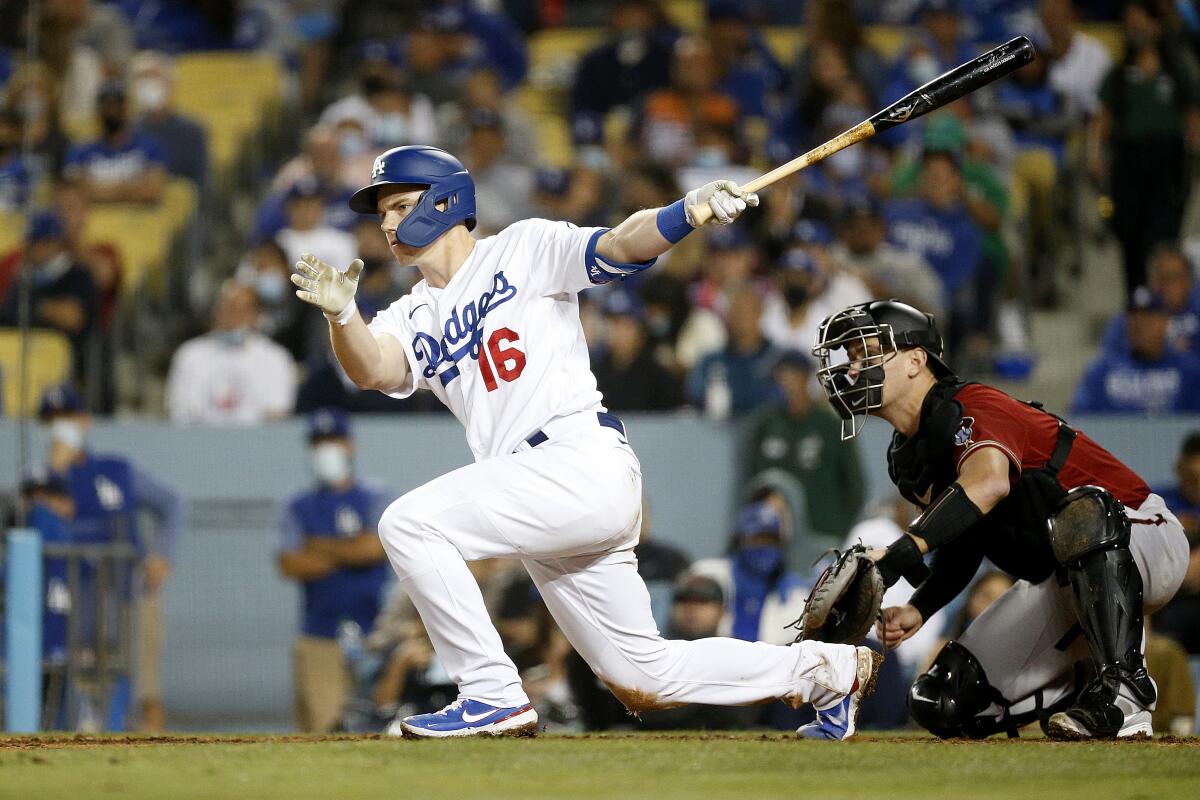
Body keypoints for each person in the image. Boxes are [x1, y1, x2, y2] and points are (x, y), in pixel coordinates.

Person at [289, 144, 879, 740]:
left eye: (397, 204)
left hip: (575, 459)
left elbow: (620, 246)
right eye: (380, 211)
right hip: (541, 494)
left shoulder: (521, 249)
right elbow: (374, 368)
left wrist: (688, 211)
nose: (386, 223)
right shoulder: (411, 313)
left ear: (444, 200)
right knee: (645, 676)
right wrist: (344, 318)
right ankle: (827, 669)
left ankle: (491, 693)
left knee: (408, 524)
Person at [812, 299, 1190, 739]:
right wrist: (919, 606)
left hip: (1143, 536)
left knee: (1084, 513)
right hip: (1063, 579)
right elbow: (964, 541)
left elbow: (989, 483)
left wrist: (901, 551)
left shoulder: (974, 402)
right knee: (941, 699)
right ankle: (1085, 694)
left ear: (916, 360)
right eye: (852, 358)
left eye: (866, 352)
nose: (854, 369)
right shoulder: (907, 458)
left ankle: (1127, 693)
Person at [39, 382, 184, 731]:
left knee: (144, 691)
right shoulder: (41, 479)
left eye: (68, 415)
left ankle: (158, 770)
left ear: (85, 420)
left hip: (129, 592)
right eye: (53, 418)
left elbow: (173, 502)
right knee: (82, 693)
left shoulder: (115, 469)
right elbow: (32, 527)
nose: (62, 425)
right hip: (74, 598)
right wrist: (53, 474)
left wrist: (161, 554)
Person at [277, 408, 391, 733]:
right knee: (323, 727)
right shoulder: (297, 503)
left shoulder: (374, 494)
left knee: (376, 723)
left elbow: (374, 549)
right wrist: (351, 551)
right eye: (319, 442)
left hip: (376, 632)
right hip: (319, 633)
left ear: (349, 445)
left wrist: (318, 546)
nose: (326, 448)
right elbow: (290, 562)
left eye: (333, 440)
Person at [744, 350, 864, 543]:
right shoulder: (765, 425)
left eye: (786, 376)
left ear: (803, 377)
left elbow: (855, 486)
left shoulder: (830, 425)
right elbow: (754, 481)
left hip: (821, 534)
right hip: (776, 538)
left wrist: (837, 530)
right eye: (778, 378)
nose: (782, 383)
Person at [165, 280, 297, 424]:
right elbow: (180, 413)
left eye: (240, 310)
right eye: (226, 308)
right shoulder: (190, 355)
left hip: (256, 444)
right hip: (200, 442)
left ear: (256, 315)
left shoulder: (276, 359)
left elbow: (277, 414)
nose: (232, 317)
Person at [690, 501, 810, 646]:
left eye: (770, 540)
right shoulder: (708, 573)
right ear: (740, 540)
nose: (764, 546)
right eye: (757, 538)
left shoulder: (796, 594)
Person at [0, 211, 97, 384]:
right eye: (33, 243)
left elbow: (72, 318)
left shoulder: (77, 274)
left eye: (43, 242)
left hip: (71, 366)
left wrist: (38, 307)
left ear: (57, 243)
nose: (36, 249)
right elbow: (8, 315)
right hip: (21, 358)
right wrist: (48, 309)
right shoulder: (22, 278)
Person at [1072, 288, 1200, 415]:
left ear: (1165, 322)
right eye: (1133, 317)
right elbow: (1081, 418)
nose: (1138, 324)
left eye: (1148, 317)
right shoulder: (1102, 372)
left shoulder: (1189, 370)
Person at [62, 81, 166, 206]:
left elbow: (151, 191)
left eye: (117, 105)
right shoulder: (79, 151)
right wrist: (127, 188)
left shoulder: (149, 147)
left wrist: (98, 191)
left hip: (135, 222)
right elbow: (75, 193)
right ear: (98, 110)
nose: (112, 111)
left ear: (127, 108)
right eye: (106, 105)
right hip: (93, 222)